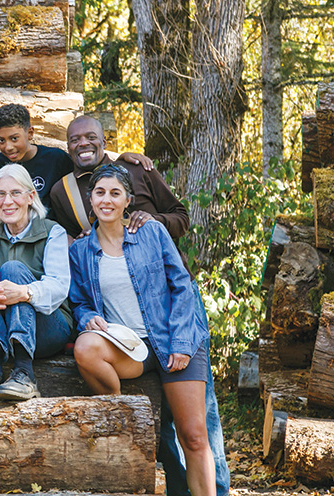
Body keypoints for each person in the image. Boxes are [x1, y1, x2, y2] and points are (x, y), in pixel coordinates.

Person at [48, 115, 229, 496]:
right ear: (91, 200)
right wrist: (87, 317)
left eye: (115, 194)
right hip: (131, 345)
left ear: (128, 200)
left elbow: (181, 286)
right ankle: (122, 414)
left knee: (194, 435)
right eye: (99, 194)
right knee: (86, 347)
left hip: (173, 336)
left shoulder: (150, 230)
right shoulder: (81, 249)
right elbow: (79, 300)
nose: (106, 200)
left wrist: (181, 342)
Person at [0, 164, 73, 401]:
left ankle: (24, 372)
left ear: (31, 197)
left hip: (48, 328)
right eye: (1, 194)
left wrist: (23, 292)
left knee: (13, 269)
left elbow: (60, 286)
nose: (8, 201)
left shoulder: (53, 232)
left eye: (16, 193)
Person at [0, 104, 153, 208]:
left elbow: (91, 165)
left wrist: (122, 156)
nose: (8, 147)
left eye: (15, 138)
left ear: (30, 133)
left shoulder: (55, 159)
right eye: (1, 140)